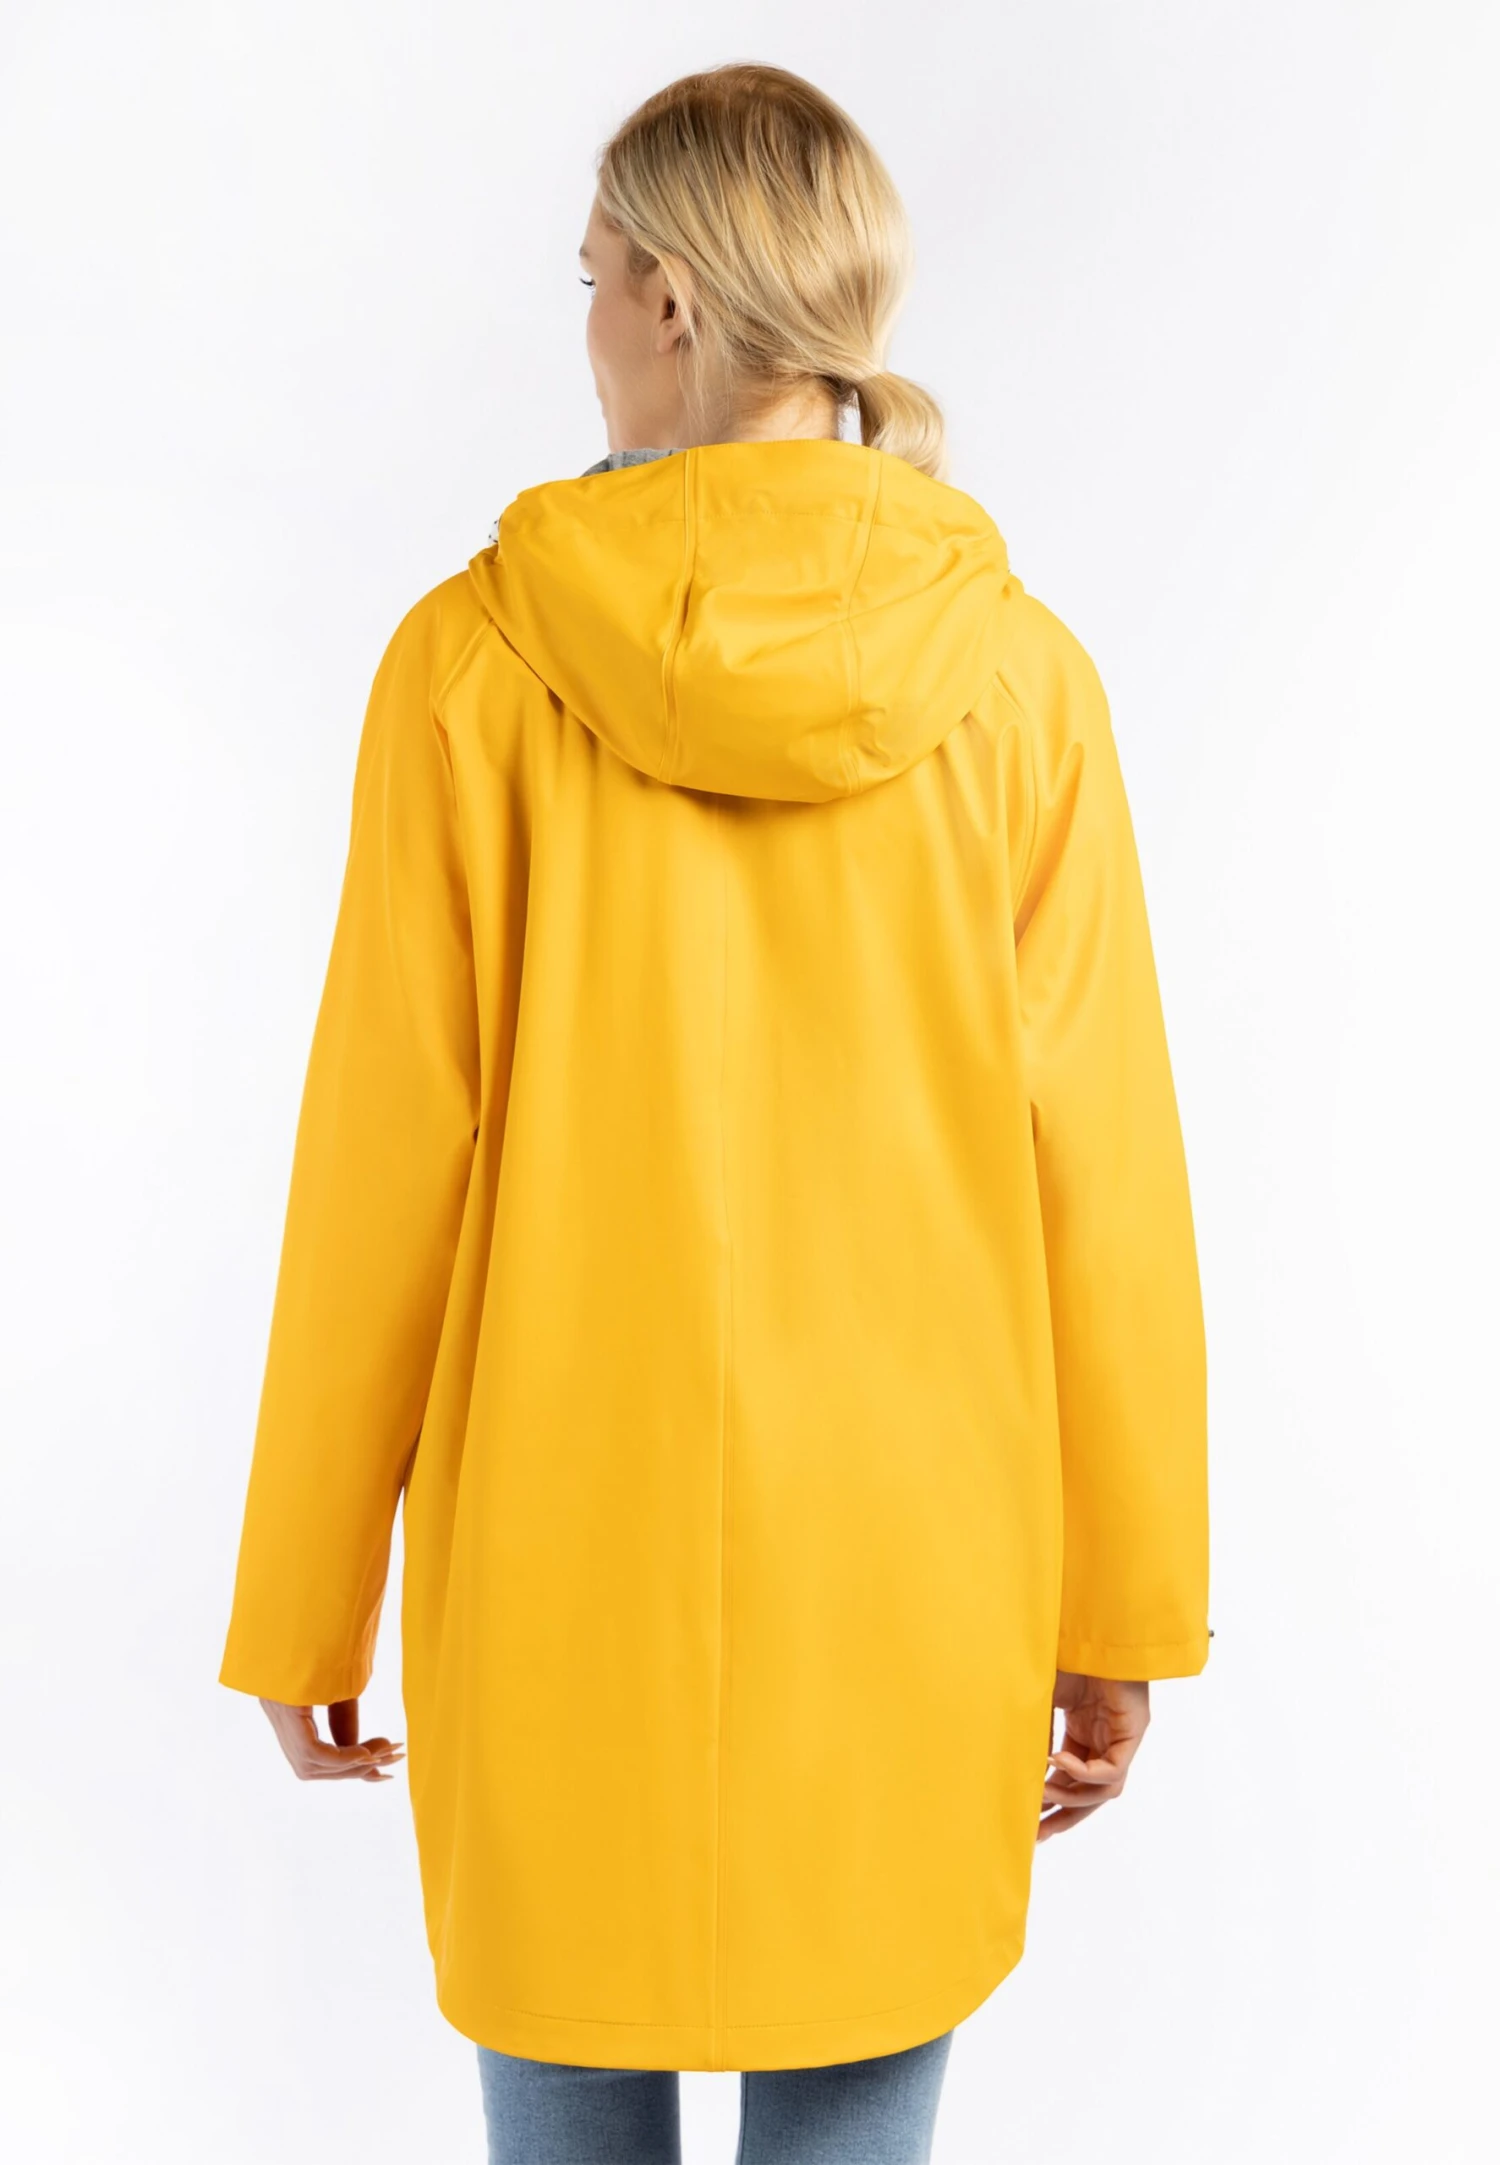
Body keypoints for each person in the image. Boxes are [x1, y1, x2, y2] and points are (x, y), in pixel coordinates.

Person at [219, 61, 1211, 2165]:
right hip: (915, 1570)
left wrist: (308, 1590)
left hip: (555, 1564)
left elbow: (382, 1158)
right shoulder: (1019, 683)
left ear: (671, 302)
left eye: (591, 277)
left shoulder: (469, 666)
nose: (584, 319)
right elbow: (1105, 1177)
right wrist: (1121, 1610)